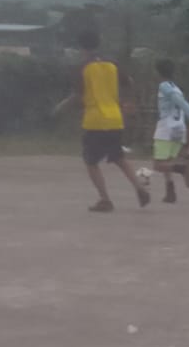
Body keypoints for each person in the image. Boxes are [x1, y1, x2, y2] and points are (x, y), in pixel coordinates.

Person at [52, 30, 150, 213]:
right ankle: (140, 188)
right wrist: (126, 102)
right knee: (119, 158)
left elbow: (77, 95)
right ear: (98, 44)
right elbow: (130, 82)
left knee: (91, 161)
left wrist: (60, 107)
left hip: (96, 120)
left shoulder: (83, 68)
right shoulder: (112, 64)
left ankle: (105, 200)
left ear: (81, 48)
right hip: (115, 118)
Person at [150, 58, 189, 204]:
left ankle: (182, 168)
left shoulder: (164, 86)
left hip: (166, 127)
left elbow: (180, 102)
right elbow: (180, 101)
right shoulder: (177, 88)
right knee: (167, 162)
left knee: (158, 165)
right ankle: (170, 193)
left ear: (158, 72)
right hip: (179, 128)